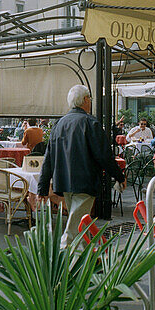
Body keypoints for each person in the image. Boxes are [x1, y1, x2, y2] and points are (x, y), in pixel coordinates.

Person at [38, 85, 126, 248]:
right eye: (89, 98)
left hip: (64, 184)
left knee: (80, 223)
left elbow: (49, 157)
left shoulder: (59, 124)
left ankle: (87, 259)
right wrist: (120, 177)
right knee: (73, 230)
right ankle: (61, 266)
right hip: (85, 183)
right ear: (85, 100)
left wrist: (42, 187)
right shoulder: (90, 123)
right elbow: (104, 156)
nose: (90, 101)